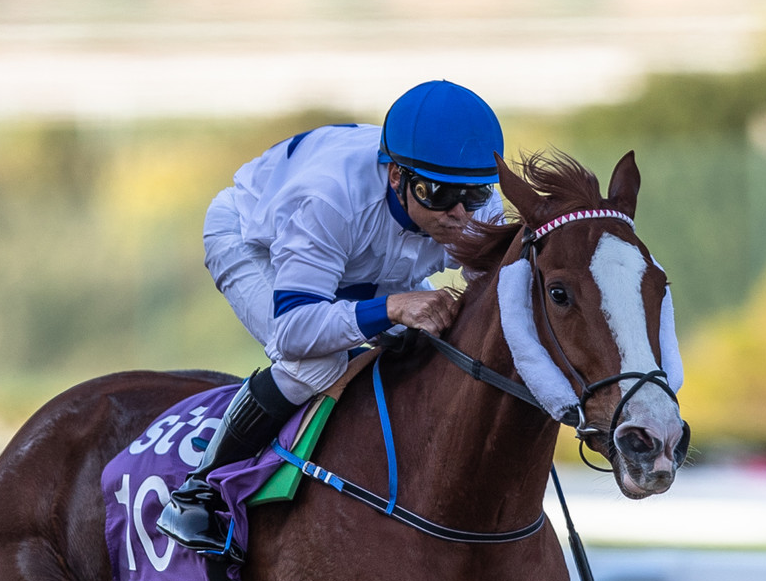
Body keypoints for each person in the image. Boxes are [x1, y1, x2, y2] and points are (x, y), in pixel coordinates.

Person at [157, 79, 506, 553]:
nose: (461, 214)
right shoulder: (329, 200)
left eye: (477, 194)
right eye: (439, 194)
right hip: (253, 240)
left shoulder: (471, 204)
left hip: (363, 253)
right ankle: (198, 488)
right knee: (315, 364)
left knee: (435, 339)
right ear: (397, 176)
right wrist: (392, 306)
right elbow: (295, 331)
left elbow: (499, 291)